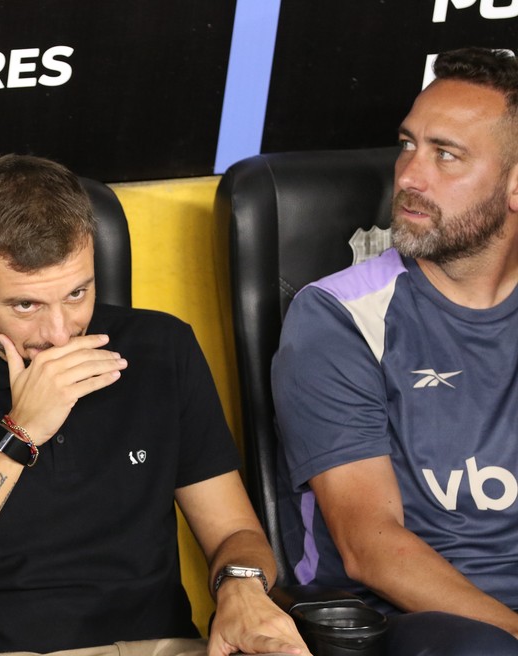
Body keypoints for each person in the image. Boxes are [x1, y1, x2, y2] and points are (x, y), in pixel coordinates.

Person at [0, 154, 310, 656]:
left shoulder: (161, 347)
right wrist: (18, 433)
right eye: (26, 305)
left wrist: (241, 585)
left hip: (155, 645)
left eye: (77, 293)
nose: (59, 334)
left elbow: (234, 530)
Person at [272, 47, 518, 655]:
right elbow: (370, 547)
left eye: (446, 155)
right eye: (408, 144)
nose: (409, 174)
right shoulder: (338, 315)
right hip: (407, 621)